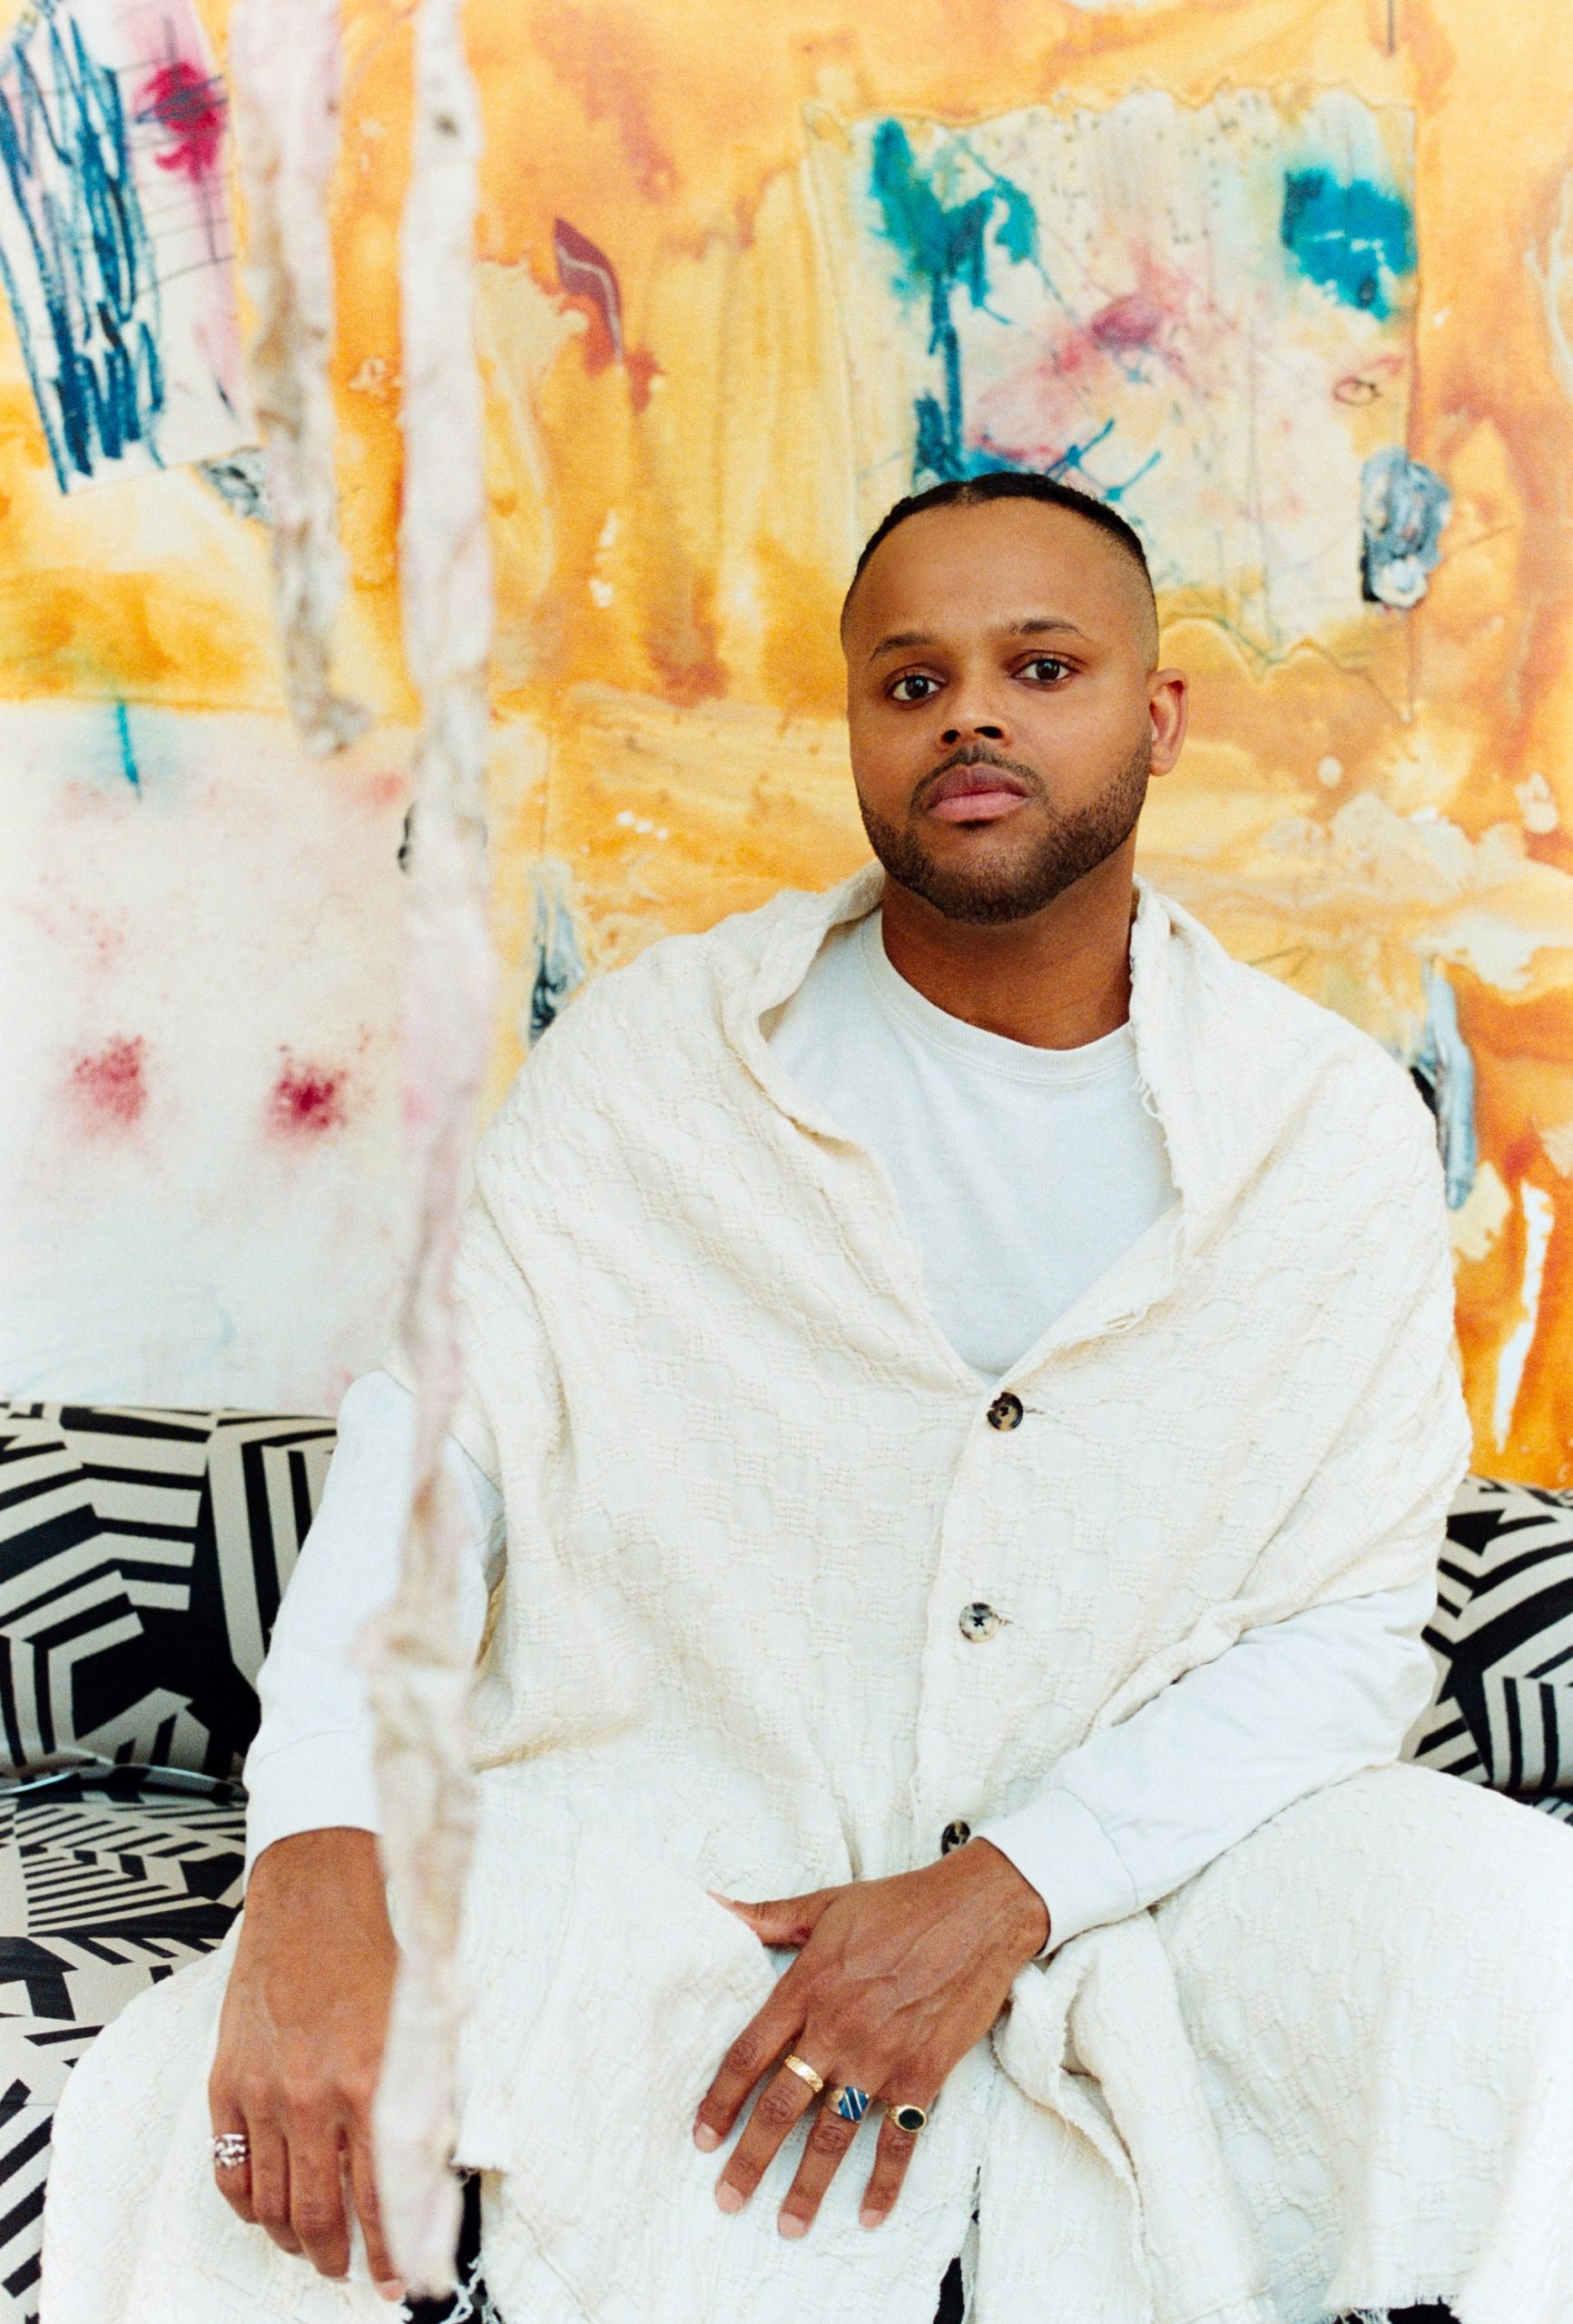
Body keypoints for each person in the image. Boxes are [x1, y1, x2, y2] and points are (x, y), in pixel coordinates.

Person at [42, 473, 1573, 2324]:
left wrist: (1014, 1883)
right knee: (185, 2103)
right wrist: (311, 1838)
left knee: (1525, 1936)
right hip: (683, 1882)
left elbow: (1346, 1631)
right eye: (910, 680)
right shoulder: (659, 1062)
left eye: (1043, 663)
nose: (974, 715)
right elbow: (431, 1464)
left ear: (1156, 717)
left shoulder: (1321, 1130)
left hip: (1165, 1913)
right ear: (854, 724)